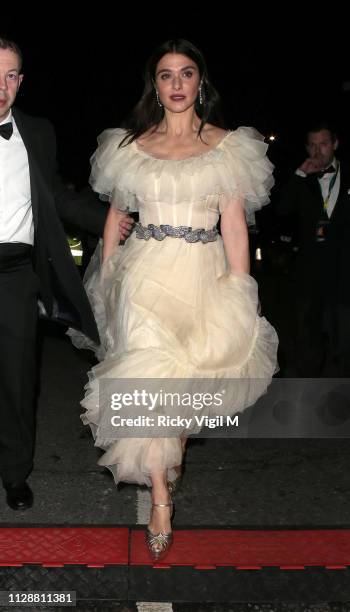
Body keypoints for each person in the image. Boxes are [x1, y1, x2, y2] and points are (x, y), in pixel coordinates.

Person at [69, 38, 278, 559]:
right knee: (149, 375)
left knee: (182, 385)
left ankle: (169, 452)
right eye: (166, 75)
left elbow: (234, 227)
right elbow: (117, 215)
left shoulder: (230, 147)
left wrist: (241, 286)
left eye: (186, 73)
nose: (177, 84)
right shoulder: (130, 146)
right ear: (155, 87)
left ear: (200, 83)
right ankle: (161, 499)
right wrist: (110, 268)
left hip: (203, 274)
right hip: (144, 274)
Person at [0, 37, 132, 511]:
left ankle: (15, 474)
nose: (2, 85)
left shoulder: (37, 132)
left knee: (17, 379)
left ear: (21, 82)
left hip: (15, 272)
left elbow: (56, 194)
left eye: (10, 75)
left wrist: (107, 220)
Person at [276, 122, 350, 376]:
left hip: (344, 272)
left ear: (335, 144)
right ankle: (308, 398)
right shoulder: (302, 178)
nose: (318, 151)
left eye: (324, 144)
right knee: (308, 340)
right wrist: (299, 174)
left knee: (343, 339)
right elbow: (282, 209)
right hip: (309, 273)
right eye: (313, 145)